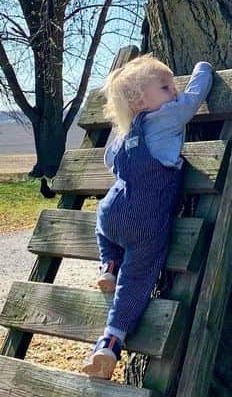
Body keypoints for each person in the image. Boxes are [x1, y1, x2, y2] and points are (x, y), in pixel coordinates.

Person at [83, 55, 215, 379]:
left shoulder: (126, 131)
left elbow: (111, 162)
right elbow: (193, 99)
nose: (175, 91)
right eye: (166, 86)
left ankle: (109, 265)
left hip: (115, 209)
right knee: (137, 281)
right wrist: (203, 69)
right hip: (146, 221)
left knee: (103, 224)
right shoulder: (167, 117)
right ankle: (111, 341)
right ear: (141, 99)